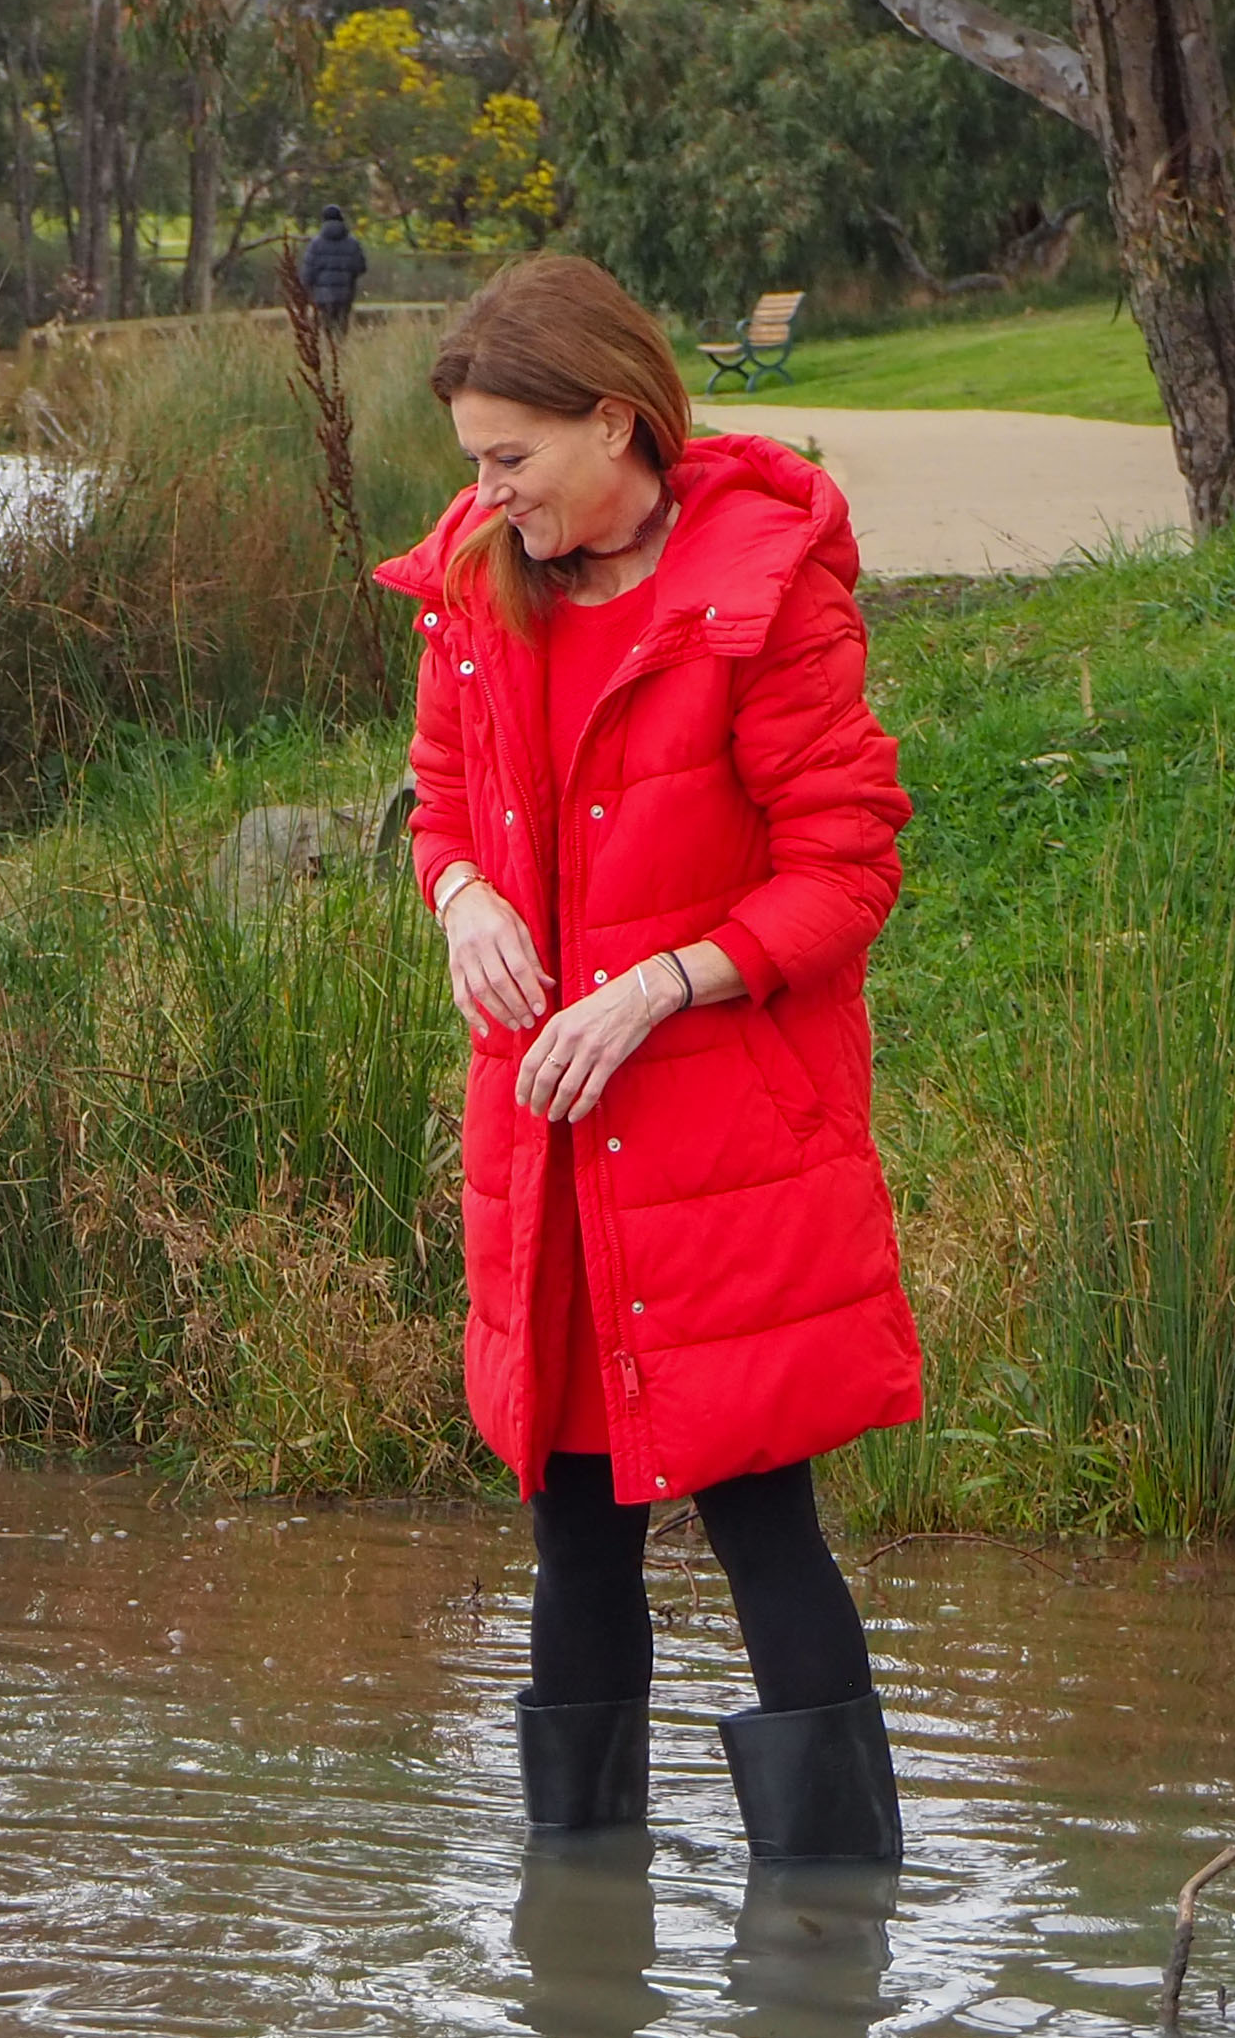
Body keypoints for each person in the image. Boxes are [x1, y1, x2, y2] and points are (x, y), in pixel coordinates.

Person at [378, 254, 920, 1864]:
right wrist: (461, 893)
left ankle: (833, 1941)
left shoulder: (765, 588)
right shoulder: (481, 583)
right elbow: (440, 789)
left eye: (509, 460)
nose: (483, 496)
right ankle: (577, 1964)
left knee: (765, 1524)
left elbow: (847, 864)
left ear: (616, 422)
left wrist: (659, 986)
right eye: (473, 460)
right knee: (573, 1528)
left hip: (719, 1136)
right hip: (543, 1129)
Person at [300, 204, 369, 325]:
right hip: (345, 295)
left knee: (326, 330)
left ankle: (328, 342)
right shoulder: (352, 243)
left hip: (322, 296)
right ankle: (340, 343)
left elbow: (307, 274)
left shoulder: (315, 244)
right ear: (341, 218)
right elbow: (361, 267)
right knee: (341, 329)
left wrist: (307, 292)